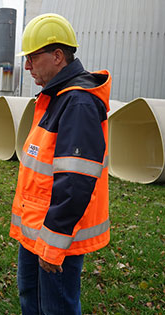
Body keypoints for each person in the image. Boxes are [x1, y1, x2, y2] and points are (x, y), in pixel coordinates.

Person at [9, 14, 111, 314]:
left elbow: (76, 182)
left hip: (55, 237)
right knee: (33, 299)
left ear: (57, 56)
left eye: (32, 58)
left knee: (56, 308)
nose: (27, 66)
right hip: (36, 230)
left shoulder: (77, 102)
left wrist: (53, 246)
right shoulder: (56, 98)